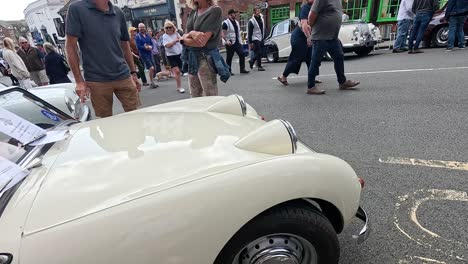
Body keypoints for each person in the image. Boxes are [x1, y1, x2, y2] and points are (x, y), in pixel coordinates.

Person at [65, 0, 141, 118]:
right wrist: (79, 81)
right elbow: (70, 46)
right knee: (105, 121)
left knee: (135, 115)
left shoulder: (118, 12)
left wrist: (133, 73)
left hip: (123, 75)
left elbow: (125, 45)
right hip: (97, 79)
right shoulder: (77, 9)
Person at [307, 0, 360, 94]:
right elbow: (312, 15)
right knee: (316, 62)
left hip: (333, 37)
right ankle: (311, 87)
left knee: (339, 57)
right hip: (321, 37)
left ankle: (342, 82)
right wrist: (312, 28)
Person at [180, 0, 230, 97]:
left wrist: (183, 40)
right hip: (192, 57)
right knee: (195, 95)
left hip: (205, 59)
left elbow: (201, 42)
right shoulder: (194, 11)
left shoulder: (215, 10)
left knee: (210, 96)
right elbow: (185, 34)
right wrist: (192, 33)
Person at [277, 0, 322, 86]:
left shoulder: (315, 8)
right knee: (296, 58)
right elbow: (304, 25)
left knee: (311, 57)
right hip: (299, 37)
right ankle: (283, 76)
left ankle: (312, 77)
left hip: (308, 36)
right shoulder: (306, 7)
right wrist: (309, 37)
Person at [222, 9, 249, 75]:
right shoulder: (226, 23)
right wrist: (226, 41)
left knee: (242, 54)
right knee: (229, 57)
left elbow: (238, 32)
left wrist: (241, 42)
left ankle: (242, 69)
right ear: (230, 14)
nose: (235, 14)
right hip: (230, 43)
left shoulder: (236, 22)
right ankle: (228, 71)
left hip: (237, 42)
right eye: (234, 13)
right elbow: (222, 33)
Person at [163, 20, 185, 93]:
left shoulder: (176, 34)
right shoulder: (164, 36)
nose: (168, 29)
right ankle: (179, 87)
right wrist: (175, 41)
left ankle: (175, 74)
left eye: (170, 27)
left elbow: (182, 40)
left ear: (173, 27)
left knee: (181, 70)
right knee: (177, 71)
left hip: (179, 54)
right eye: (167, 28)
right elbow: (167, 45)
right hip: (171, 55)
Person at [136, 23, 159, 88]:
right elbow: (138, 47)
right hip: (143, 54)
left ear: (145, 27)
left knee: (153, 68)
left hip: (150, 53)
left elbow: (151, 44)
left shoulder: (148, 35)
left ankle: (152, 82)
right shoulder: (138, 36)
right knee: (151, 68)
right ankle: (151, 83)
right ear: (138, 28)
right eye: (140, 27)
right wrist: (145, 47)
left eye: (143, 27)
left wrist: (151, 47)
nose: (142, 28)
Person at [248, 7, 266, 71]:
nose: (259, 11)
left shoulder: (261, 18)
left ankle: (252, 61)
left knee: (260, 52)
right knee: (258, 52)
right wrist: (250, 42)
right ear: (254, 12)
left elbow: (263, 28)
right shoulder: (251, 21)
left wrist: (264, 36)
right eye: (257, 11)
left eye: (259, 10)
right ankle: (259, 66)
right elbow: (249, 32)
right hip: (254, 38)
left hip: (261, 37)